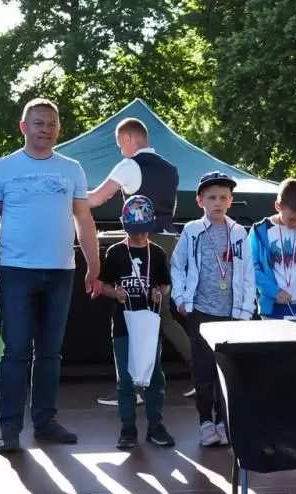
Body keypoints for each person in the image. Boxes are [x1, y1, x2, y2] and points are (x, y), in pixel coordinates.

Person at [0, 98, 102, 454]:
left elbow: (83, 219)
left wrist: (94, 265)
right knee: (16, 351)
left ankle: (45, 421)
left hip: (61, 271)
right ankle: (10, 426)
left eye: (51, 124)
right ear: (24, 127)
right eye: (38, 123)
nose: (45, 130)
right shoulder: (2, 168)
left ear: (58, 129)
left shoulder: (72, 169)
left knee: (50, 352)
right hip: (16, 272)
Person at [87, 117, 194, 402]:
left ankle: (134, 388)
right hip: (168, 241)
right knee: (162, 314)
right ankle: (203, 371)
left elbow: (95, 199)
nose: (120, 149)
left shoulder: (129, 165)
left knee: (136, 313)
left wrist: (68, 196)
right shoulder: (171, 169)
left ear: (128, 138)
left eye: (119, 143)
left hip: (142, 243)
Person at [170, 171, 256, 446]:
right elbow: (177, 265)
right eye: (211, 198)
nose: (217, 203)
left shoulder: (239, 232)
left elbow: (248, 273)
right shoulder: (192, 230)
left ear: (230, 201)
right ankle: (205, 422)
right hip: (201, 312)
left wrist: (245, 311)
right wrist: (181, 298)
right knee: (204, 370)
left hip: (231, 314)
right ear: (200, 201)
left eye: (223, 197)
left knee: (226, 371)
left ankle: (223, 421)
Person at [98, 195, 176, 450]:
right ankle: (128, 428)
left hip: (150, 322)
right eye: (134, 231)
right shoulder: (116, 252)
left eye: (144, 231)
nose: (140, 236)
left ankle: (156, 426)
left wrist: (159, 294)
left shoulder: (158, 252)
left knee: (154, 375)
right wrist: (115, 293)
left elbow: (165, 285)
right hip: (124, 324)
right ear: (124, 226)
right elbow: (103, 285)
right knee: (126, 378)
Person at [248, 178, 296, 319]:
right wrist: (274, 291)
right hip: (272, 307)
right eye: (292, 219)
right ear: (278, 206)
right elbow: (251, 268)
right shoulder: (259, 231)